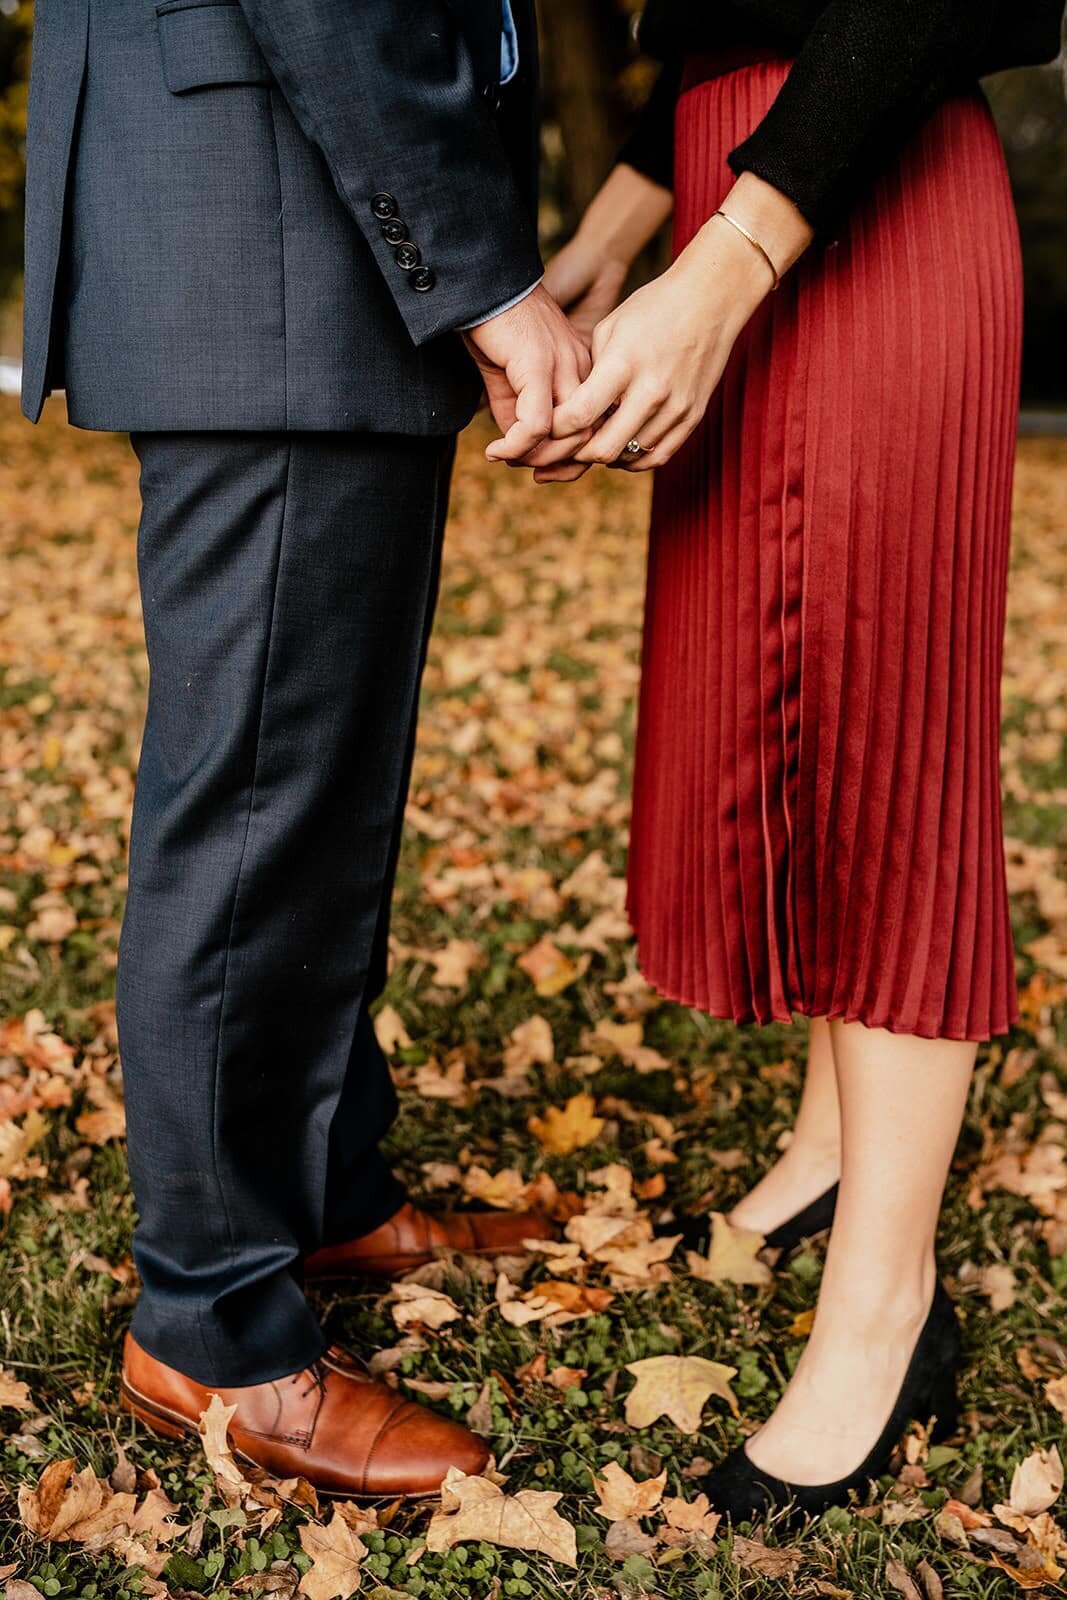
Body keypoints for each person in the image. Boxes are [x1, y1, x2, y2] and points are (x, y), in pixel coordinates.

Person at [20, 0, 592, 1498]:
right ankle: (210, 1325)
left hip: (275, 211)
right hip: (267, 215)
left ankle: (323, 1186)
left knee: (320, 775)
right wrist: (479, 268)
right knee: (261, 796)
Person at [512, 0, 1066, 1521]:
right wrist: (624, 224)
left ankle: (888, 1312)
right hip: (741, 178)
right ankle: (832, 1148)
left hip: (853, 198)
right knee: (793, 694)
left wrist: (730, 257)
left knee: (882, 723)